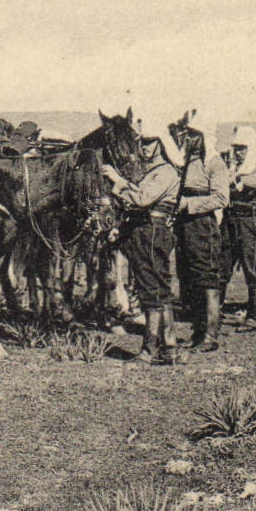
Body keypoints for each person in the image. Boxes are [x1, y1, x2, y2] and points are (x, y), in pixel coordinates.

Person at [103, 130, 182, 364]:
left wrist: (117, 180)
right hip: (143, 230)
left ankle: (150, 349)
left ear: (161, 144)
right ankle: (169, 346)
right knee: (156, 289)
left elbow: (143, 199)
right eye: (143, 143)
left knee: (152, 290)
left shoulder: (166, 172)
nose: (144, 148)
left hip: (152, 231)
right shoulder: (151, 171)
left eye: (149, 143)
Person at [172, 121, 229, 352]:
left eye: (194, 135)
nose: (188, 139)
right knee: (190, 278)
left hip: (203, 225)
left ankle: (211, 335)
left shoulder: (215, 163)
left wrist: (189, 204)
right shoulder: (185, 162)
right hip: (184, 225)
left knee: (207, 278)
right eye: (187, 134)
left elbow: (222, 198)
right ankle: (198, 332)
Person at [223, 126, 256, 329]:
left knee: (252, 267)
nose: (238, 152)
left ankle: (254, 315)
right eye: (236, 148)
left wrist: (236, 181)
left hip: (249, 220)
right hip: (230, 219)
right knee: (223, 264)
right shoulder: (233, 167)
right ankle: (215, 311)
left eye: (242, 148)